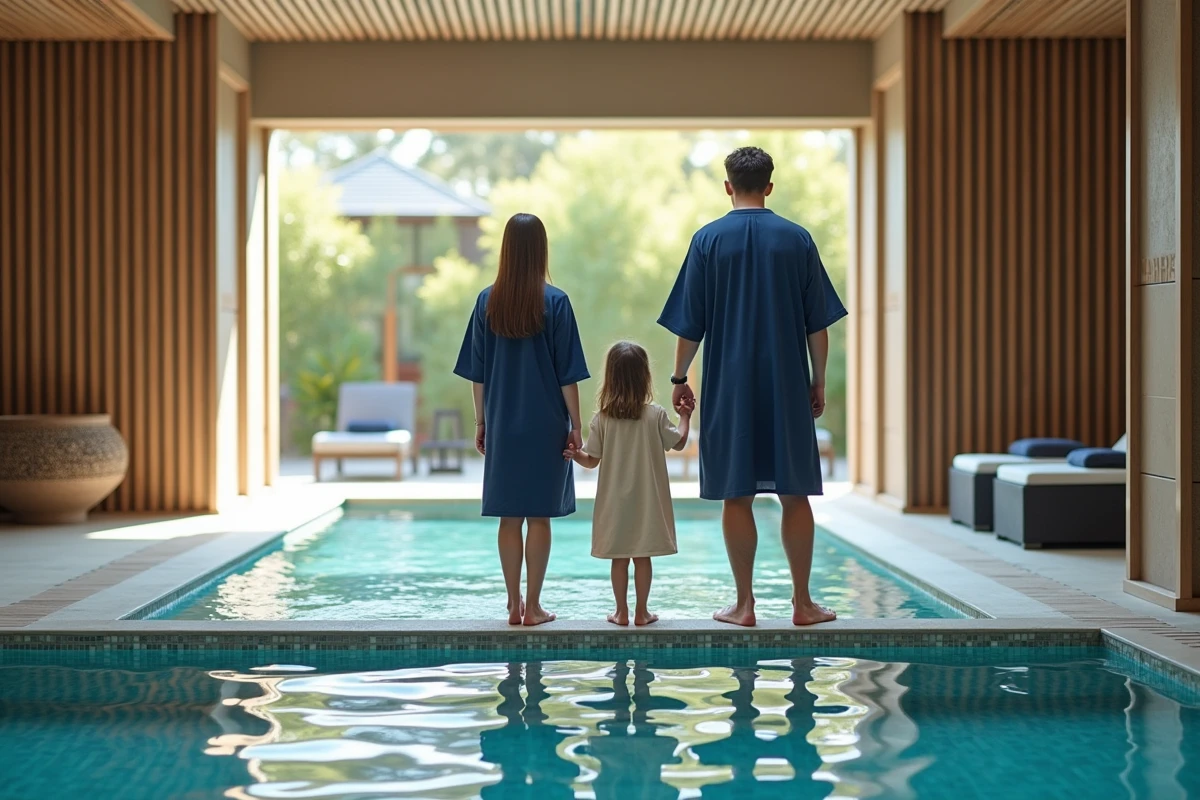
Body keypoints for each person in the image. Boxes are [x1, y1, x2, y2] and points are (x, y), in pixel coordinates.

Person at [658, 146, 848, 628]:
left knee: (735, 494)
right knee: (794, 493)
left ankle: (744, 606)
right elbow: (817, 325)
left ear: (727, 187)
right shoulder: (797, 239)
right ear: (769, 185)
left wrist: (680, 379)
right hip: (787, 382)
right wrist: (817, 379)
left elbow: (690, 325)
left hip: (729, 386)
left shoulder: (707, 240)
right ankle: (803, 604)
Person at [454, 212, 589, 627]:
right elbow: (568, 375)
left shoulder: (486, 301)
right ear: (541, 251)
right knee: (539, 516)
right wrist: (576, 426)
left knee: (509, 517)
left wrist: (481, 423)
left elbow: (477, 373)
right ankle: (534, 607)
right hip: (545, 425)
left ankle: (512, 605)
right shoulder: (557, 302)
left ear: (506, 251)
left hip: (502, 423)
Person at [565, 341, 693, 626]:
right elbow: (680, 442)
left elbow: (591, 460)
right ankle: (642, 612)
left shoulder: (603, 419)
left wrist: (574, 455)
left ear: (610, 379)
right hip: (647, 502)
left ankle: (621, 611)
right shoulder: (655, 415)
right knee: (642, 557)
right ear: (644, 377)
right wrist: (685, 415)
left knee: (619, 558)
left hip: (615, 504)